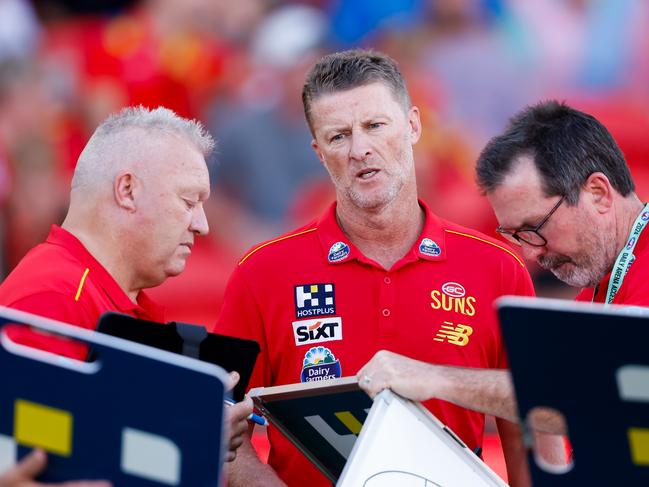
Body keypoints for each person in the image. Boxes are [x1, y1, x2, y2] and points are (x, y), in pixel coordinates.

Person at [213, 49, 562, 487]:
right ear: (319, 152)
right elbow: (220, 421)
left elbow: (532, 425)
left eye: (375, 126)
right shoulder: (261, 272)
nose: (361, 149)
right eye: (339, 136)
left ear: (414, 125)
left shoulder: (498, 268)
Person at [358, 100, 647, 436]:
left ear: (598, 193)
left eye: (534, 228)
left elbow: (594, 398)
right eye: (513, 235)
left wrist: (435, 378)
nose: (529, 252)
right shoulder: (595, 295)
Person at [0, 106, 252, 483]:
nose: (202, 225)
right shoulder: (53, 299)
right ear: (127, 190)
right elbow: (38, 463)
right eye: (188, 201)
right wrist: (194, 437)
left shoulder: (93, 296)